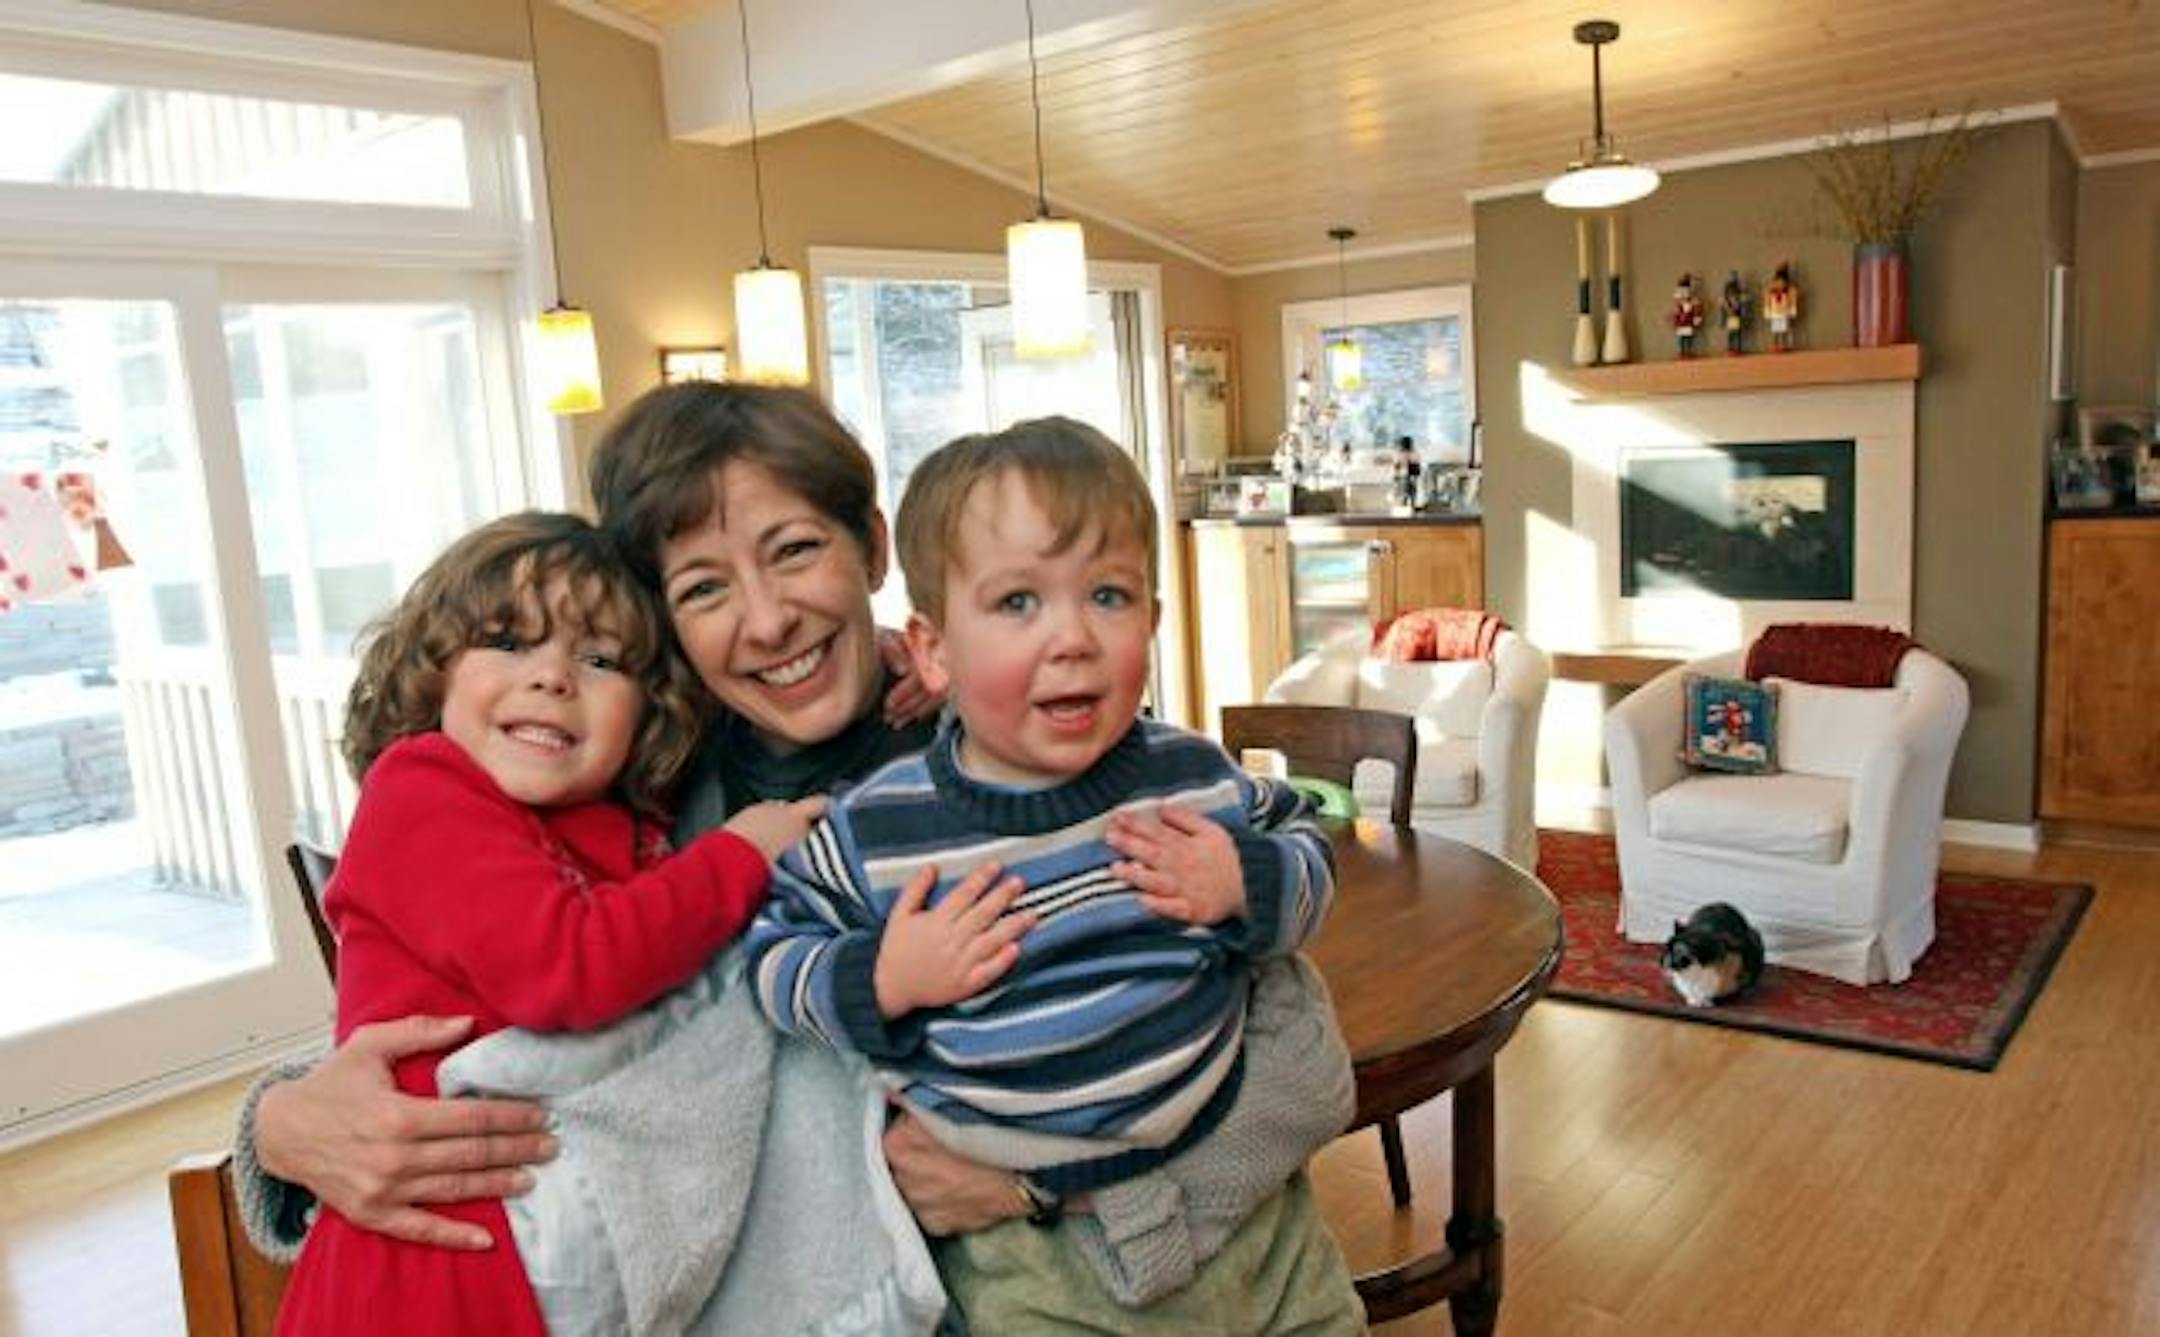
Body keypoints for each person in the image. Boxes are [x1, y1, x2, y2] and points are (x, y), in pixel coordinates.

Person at [234, 383, 1357, 1328]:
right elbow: (472, 1010)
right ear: (664, 623)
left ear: (872, 547)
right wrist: (280, 1127)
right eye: (705, 588)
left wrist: (1048, 1191)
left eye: (797, 550)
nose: (766, 620)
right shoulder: (630, 802)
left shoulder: (1026, 738)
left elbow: (1301, 1060)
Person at [745, 418, 1363, 1330]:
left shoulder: (1191, 774)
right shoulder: (879, 826)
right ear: (934, 650)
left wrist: (1245, 879)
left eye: (1109, 595)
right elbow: (770, 950)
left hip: (1251, 1216)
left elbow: (1306, 847)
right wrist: (882, 975)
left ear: (1154, 617)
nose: (1073, 636)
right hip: (1031, 1259)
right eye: (1018, 603)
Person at [272, 512, 824, 1335]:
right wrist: (740, 855)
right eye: (508, 641)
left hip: (547, 1255)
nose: (553, 677)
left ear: (650, 710)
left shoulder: (622, 826)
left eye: (599, 659)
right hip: (425, 1269)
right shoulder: (421, 790)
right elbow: (571, 965)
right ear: (435, 676)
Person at [1764, 261, 1801, 352]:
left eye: (1782, 282)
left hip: (1784, 310)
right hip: (1775, 310)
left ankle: (1783, 345)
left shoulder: (1788, 290)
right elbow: (1767, 298)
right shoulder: (1772, 292)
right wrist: (1767, 310)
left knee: (1784, 329)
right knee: (1775, 330)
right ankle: (1775, 345)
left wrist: (1792, 309)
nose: (1779, 284)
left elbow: (1793, 296)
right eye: (1777, 282)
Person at [1672, 273, 1705, 358]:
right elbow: (1676, 312)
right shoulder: (1679, 306)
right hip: (1681, 322)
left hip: (1688, 321)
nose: (1684, 296)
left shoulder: (1692, 303)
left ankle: (1688, 351)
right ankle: (1682, 351)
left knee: (1689, 337)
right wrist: (1675, 319)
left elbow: (1696, 310)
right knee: (1682, 338)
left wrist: (1696, 319)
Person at [1721, 269, 1752, 355]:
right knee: (1731, 332)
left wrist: (1741, 309)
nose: (1732, 294)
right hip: (1730, 315)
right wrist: (1728, 309)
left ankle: (1738, 347)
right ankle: (1731, 348)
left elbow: (1743, 302)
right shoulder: (1727, 298)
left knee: (1738, 332)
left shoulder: (1739, 292)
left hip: (1737, 314)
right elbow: (1724, 305)